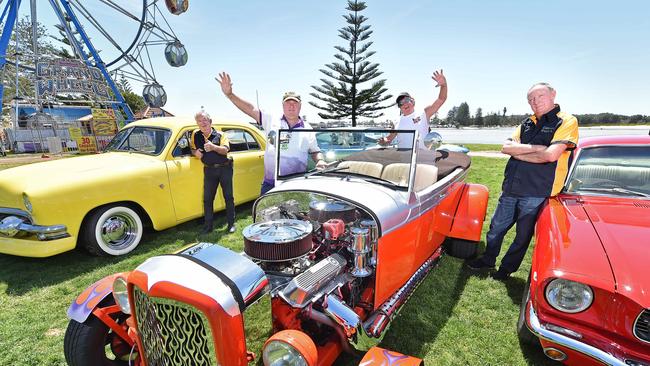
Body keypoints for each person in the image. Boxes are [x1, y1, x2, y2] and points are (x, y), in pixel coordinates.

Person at [467, 82, 579, 280]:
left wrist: (521, 152)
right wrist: (537, 148)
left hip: (536, 191)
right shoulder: (527, 122)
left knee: (521, 237)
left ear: (553, 95)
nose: (535, 102)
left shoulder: (566, 121)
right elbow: (506, 148)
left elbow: (551, 156)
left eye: (540, 97)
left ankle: (505, 270)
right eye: (531, 99)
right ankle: (487, 260)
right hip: (511, 187)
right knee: (496, 228)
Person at [216, 72, 327, 194]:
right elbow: (250, 109)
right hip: (271, 184)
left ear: (300, 106)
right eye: (288, 103)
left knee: (297, 213)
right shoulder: (271, 119)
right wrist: (230, 94)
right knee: (266, 212)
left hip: (297, 184)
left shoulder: (307, 128)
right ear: (282, 105)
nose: (291, 106)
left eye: (295, 103)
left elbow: (315, 151)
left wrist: (320, 161)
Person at [191, 109, 236, 234]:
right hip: (209, 170)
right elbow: (192, 148)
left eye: (204, 120)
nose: (202, 123)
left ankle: (231, 224)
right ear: (197, 123)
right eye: (199, 121)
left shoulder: (220, 135)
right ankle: (208, 226)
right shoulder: (196, 134)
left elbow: (225, 150)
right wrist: (195, 153)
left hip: (224, 168)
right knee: (207, 199)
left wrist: (213, 147)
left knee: (228, 197)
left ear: (210, 121)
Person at [379, 69, 447, 149]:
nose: (404, 104)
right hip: (404, 160)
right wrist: (383, 141)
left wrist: (444, 85)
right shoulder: (396, 121)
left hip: (424, 158)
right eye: (401, 103)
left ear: (413, 101)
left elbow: (441, 99)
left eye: (406, 100)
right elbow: (388, 139)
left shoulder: (425, 113)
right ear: (399, 107)